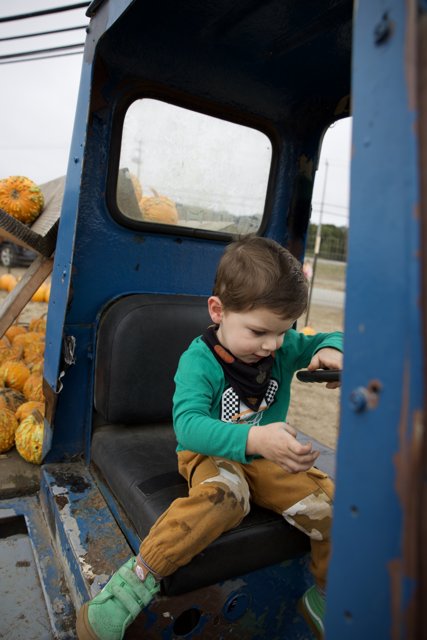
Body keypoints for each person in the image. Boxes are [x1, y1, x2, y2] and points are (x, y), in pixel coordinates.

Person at [76, 235, 343, 640]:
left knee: (330, 504)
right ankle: (131, 585)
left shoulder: (281, 346)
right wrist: (255, 441)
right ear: (218, 311)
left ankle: (324, 595)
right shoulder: (198, 360)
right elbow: (189, 426)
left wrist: (335, 350)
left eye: (283, 331)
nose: (272, 345)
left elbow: (323, 339)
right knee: (225, 500)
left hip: (263, 457)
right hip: (208, 453)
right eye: (259, 332)